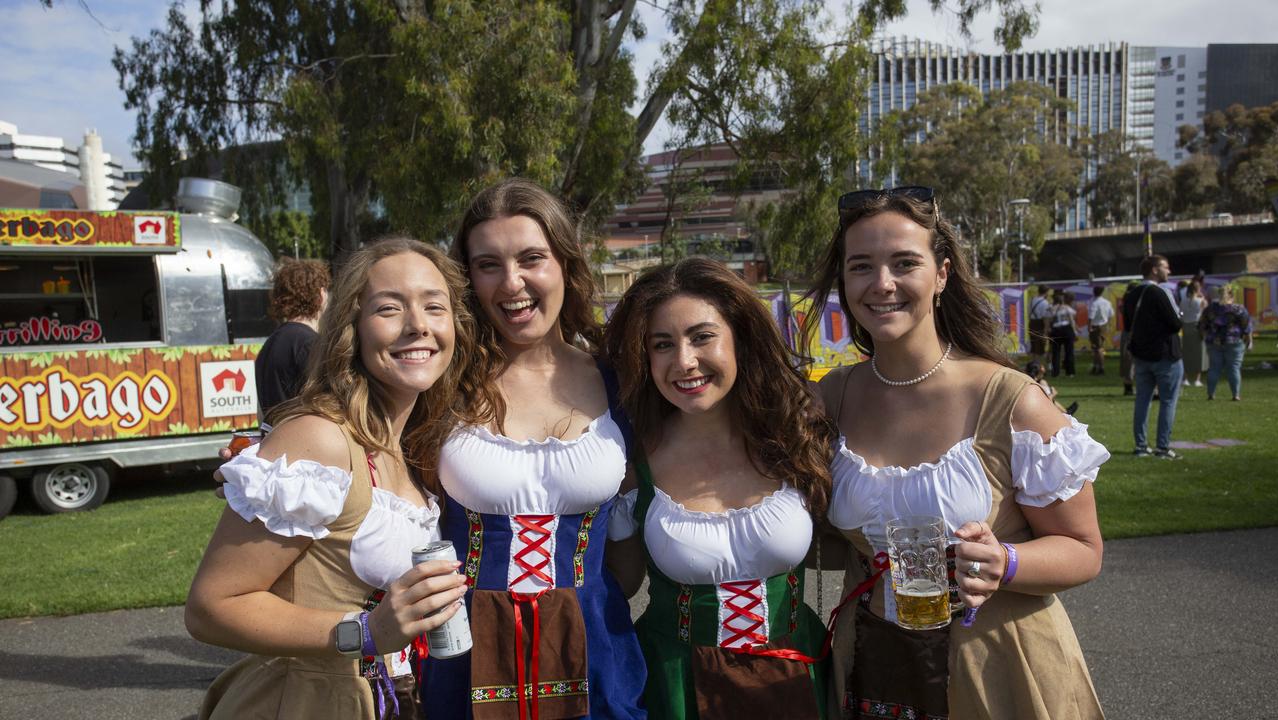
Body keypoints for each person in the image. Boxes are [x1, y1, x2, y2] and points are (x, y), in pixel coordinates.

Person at [804, 186, 1109, 720]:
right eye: (861, 267)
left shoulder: (1011, 400)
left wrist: (1006, 561)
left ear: (941, 274)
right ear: (844, 282)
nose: (882, 284)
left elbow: (1084, 549)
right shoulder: (831, 397)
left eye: (905, 263)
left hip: (996, 668)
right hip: (871, 665)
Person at [187, 238, 476, 719]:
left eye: (434, 306)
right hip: (306, 703)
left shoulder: (408, 446)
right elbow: (211, 607)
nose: (418, 325)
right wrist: (365, 632)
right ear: (352, 327)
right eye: (389, 308)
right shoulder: (319, 439)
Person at [419, 178, 646, 720]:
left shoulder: (622, 383)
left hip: (592, 648)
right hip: (468, 652)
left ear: (565, 264)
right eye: (488, 264)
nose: (512, 282)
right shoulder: (438, 387)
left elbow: (626, 564)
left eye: (531, 258)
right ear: (468, 278)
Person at [602, 258, 833, 719]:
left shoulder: (796, 436)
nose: (684, 361)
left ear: (739, 338)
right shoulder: (630, 462)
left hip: (795, 675)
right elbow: (622, 584)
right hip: (679, 685)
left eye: (702, 337)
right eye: (662, 344)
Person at [1122, 254, 1183, 459]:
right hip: (1165, 355)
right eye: (1166, 267)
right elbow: (1176, 323)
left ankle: (1141, 446)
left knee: (1142, 401)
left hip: (1141, 356)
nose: (1169, 271)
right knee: (1167, 401)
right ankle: (1163, 447)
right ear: (1155, 269)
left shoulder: (1131, 295)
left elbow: (1128, 326)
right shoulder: (1160, 292)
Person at [256, 258, 330, 418]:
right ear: (321, 294)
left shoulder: (269, 344)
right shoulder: (309, 344)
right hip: (305, 439)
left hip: (275, 437)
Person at [1199, 284, 1254, 401]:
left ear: (1219, 295)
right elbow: (1246, 327)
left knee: (1214, 368)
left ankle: (1211, 394)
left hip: (1214, 342)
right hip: (1234, 341)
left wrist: (1205, 337)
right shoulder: (1239, 309)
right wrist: (1249, 341)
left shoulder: (1210, 309)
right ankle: (1235, 395)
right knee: (1234, 368)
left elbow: (1202, 325)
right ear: (1232, 295)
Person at [1179, 280, 1208, 387]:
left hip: (1185, 327)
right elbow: (1204, 314)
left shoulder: (1183, 301)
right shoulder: (1201, 301)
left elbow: (1180, 313)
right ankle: (1197, 379)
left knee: (1186, 353)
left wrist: (1184, 316)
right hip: (1196, 326)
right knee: (1198, 353)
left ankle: (1185, 378)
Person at [1048, 290, 1077, 378]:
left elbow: (1049, 319)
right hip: (1066, 329)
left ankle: (1055, 372)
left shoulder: (1052, 308)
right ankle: (1070, 372)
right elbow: (1072, 319)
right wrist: (1074, 331)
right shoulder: (1067, 308)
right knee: (1069, 351)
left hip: (1056, 330)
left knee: (1056, 352)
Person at [1086, 286, 1114, 375]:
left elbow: (1091, 316)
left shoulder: (1094, 303)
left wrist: (1089, 326)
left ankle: (1101, 368)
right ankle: (1096, 366)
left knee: (1097, 348)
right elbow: (1111, 314)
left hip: (1096, 326)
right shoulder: (1107, 302)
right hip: (1104, 326)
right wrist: (1108, 325)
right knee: (1097, 348)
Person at [1027, 285, 1052, 363]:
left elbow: (1028, 313)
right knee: (1040, 346)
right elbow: (1046, 318)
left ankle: (1033, 363)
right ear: (1046, 292)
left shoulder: (1032, 300)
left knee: (1033, 344)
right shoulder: (1045, 302)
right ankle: (1037, 365)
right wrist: (1045, 331)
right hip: (1040, 324)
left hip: (1031, 323)